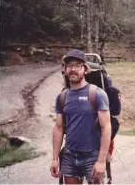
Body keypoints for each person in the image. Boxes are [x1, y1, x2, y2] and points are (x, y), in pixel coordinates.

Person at [50, 49, 111, 184]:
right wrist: (55, 159)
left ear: (86, 69)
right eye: (69, 66)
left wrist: (101, 161)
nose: (73, 69)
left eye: (77, 65)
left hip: (92, 156)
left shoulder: (97, 94)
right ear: (65, 70)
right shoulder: (62, 97)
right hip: (69, 155)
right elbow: (59, 129)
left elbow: (106, 127)